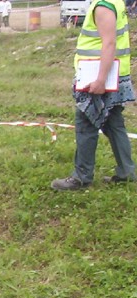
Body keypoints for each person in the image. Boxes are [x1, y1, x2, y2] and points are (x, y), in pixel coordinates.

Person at [51, 0, 135, 190]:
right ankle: (126, 172)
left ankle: (81, 178)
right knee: (114, 123)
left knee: (86, 124)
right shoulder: (114, 1)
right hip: (113, 73)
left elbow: (109, 42)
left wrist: (101, 79)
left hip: (98, 76)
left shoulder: (104, 4)